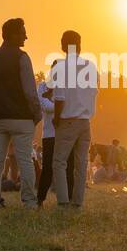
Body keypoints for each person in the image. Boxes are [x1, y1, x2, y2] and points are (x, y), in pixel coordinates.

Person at [0, 18, 41, 209]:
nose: (26, 36)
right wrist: (36, 113)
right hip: (21, 118)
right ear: (13, 34)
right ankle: (29, 201)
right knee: (25, 161)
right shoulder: (22, 57)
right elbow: (30, 91)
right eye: (23, 32)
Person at [46, 30, 98, 207]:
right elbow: (93, 92)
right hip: (85, 121)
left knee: (59, 162)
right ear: (80, 44)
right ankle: (78, 202)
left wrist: (57, 118)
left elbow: (59, 97)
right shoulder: (90, 66)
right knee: (81, 163)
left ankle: (63, 201)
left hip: (68, 120)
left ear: (62, 45)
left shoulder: (60, 67)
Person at [35, 77, 74, 204]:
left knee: (69, 166)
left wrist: (57, 103)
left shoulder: (66, 86)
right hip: (49, 134)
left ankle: (69, 197)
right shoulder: (42, 86)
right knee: (47, 167)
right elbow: (44, 106)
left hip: (65, 132)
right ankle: (40, 198)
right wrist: (61, 104)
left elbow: (70, 105)